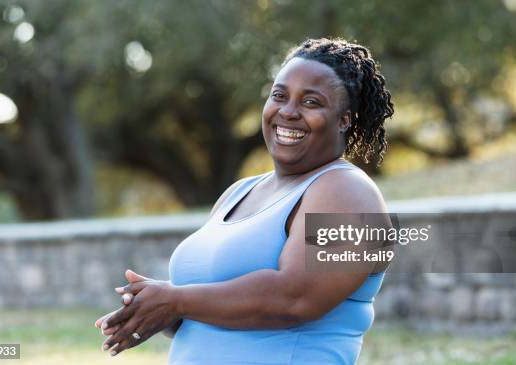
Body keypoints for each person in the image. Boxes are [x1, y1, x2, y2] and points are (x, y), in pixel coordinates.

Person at [95, 37, 394, 364]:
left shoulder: (349, 192)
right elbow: (212, 306)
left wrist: (177, 300)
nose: (288, 111)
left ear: (344, 120)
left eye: (311, 102)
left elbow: (296, 299)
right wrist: (157, 307)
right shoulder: (238, 193)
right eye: (279, 96)